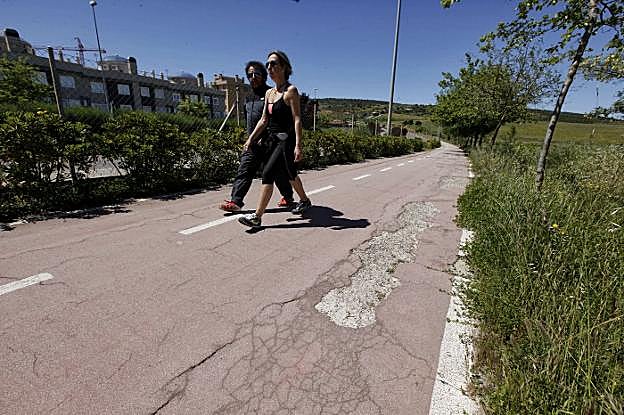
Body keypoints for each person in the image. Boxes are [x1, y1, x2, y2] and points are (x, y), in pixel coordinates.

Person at [238, 50, 312, 228]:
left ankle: (257, 217)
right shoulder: (270, 93)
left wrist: (298, 145)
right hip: (272, 140)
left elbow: (297, 119)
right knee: (290, 173)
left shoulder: (290, 91)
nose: (269, 67)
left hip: (286, 141)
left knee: (267, 173)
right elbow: (264, 120)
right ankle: (304, 200)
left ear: (284, 67)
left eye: (273, 63)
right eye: (268, 64)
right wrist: (250, 139)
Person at [219, 61, 294, 212]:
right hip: (252, 143)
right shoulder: (249, 97)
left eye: (257, 74)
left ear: (264, 76)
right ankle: (236, 202)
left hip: (270, 142)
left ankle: (288, 196)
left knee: (277, 172)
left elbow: (275, 119)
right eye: (250, 75)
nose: (253, 77)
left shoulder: (272, 94)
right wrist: (250, 138)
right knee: (244, 169)